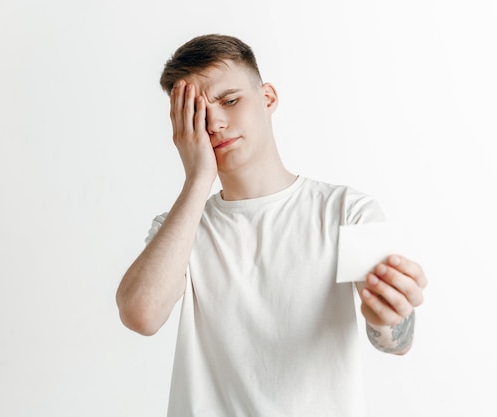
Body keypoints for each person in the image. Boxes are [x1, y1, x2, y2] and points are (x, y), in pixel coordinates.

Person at [116, 34, 428, 417]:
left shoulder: (348, 210)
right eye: (196, 114)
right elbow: (141, 315)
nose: (214, 122)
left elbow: (397, 343)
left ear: (268, 99)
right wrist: (198, 179)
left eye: (229, 101)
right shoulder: (181, 228)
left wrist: (390, 316)